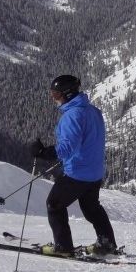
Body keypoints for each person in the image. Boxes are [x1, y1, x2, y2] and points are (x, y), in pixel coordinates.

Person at [28, 74, 118, 257]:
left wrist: (43, 153)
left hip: (77, 174)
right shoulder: (93, 111)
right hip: (94, 173)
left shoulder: (72, 115)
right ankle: (107, 243)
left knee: (55, 204)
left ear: (67, 94)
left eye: (56, 95)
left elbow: (67, 147)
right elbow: (91, 141)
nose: (54, 99)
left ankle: (63, 247)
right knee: (92, 209)